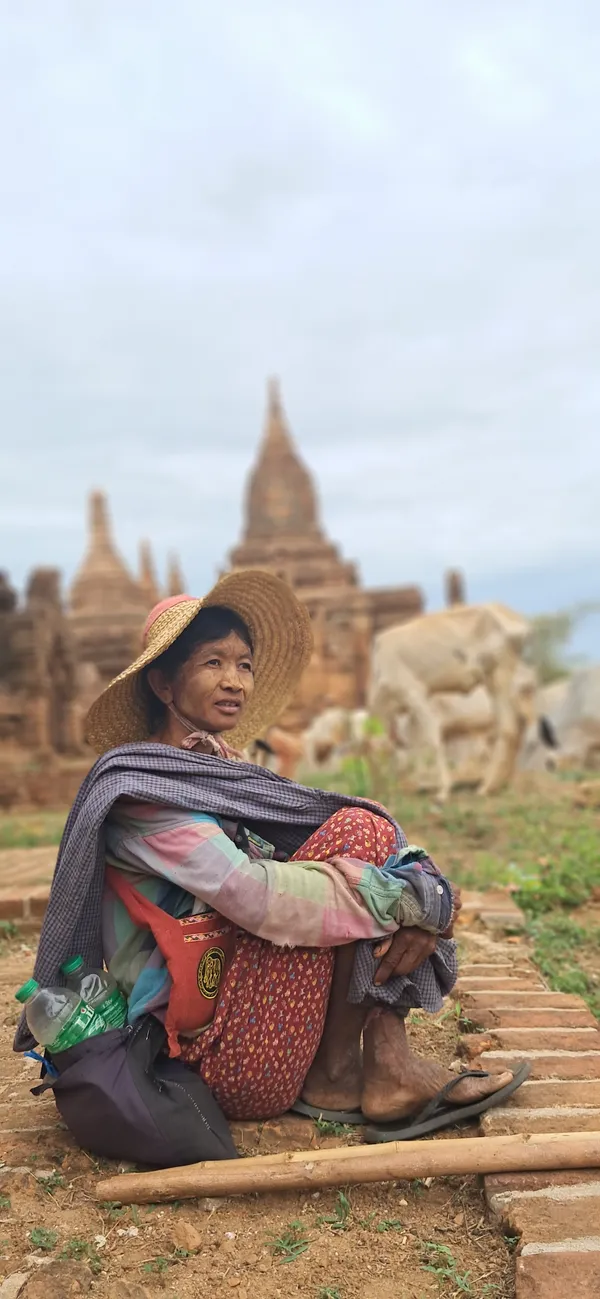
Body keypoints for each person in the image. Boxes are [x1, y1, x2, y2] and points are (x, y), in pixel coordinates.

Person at [16, 570, 525, 1137]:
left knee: (369, 844)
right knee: (361, 837)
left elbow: (306, 857)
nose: (234, 680)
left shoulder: (219, 771)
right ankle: (343, 1073)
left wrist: (415, 891)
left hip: (248, 1022)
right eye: (213, 662)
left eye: (245, 665)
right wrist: (406, 901)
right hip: (211, 1059)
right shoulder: (145, 792)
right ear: (163, 684)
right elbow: (256, 897)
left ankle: (382, 1064)